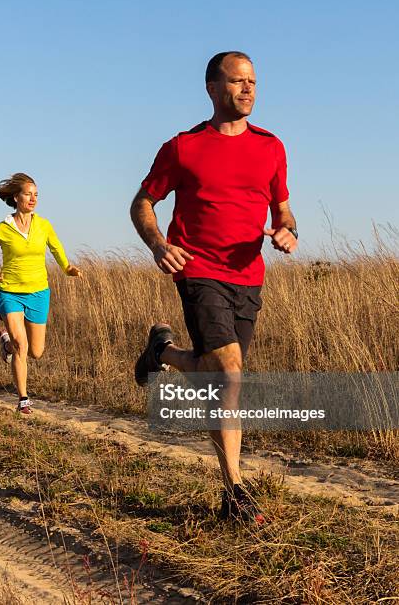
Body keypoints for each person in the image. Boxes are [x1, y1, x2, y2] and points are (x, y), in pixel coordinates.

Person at [130, 51, 298, 524]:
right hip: (198, 270)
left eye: (253, 81)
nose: (248, 89)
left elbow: (283, 210)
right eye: (237, 80)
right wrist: (158, 244)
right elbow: (143, 202)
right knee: (229, 373)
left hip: (248, 276)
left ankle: (161, 352)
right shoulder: (184, 147)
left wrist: (288, 231)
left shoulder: (271, 147)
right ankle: (235, 491)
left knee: (216, 377)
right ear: (211, 87)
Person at [0, 173, 81, 414]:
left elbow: (56, 248)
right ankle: (23, 399)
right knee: (21, 344)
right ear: (16, 197)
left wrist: (67, 268)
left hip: (38, 292)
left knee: (35, 351)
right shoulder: (2, 228)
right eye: (28, 194)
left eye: (36, 195)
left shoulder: (43, 225)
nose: (33, 199)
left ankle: (6, 345)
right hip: (10, 291)